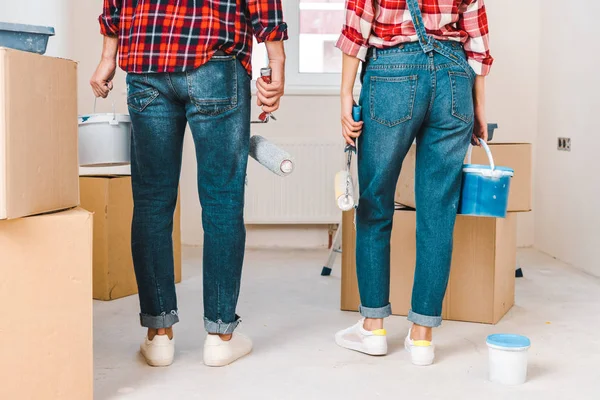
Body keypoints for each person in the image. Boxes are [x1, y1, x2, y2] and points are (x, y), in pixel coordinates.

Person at [90, 0, 287, 367]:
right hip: (214, 59)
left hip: (147, 57)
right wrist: (276, 61)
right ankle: (219, 336)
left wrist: (107, 55)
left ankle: (158, 334)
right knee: (223, 201)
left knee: (151, 201)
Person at [334, 0, 493, 365]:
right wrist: (480, 108)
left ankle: (373, 326)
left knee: (375, 205)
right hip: (455, 77)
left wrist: (345, 95)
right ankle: (422, 337)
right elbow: (479, 40)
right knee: (439, 213)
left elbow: (357, 26)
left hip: (393, 72)